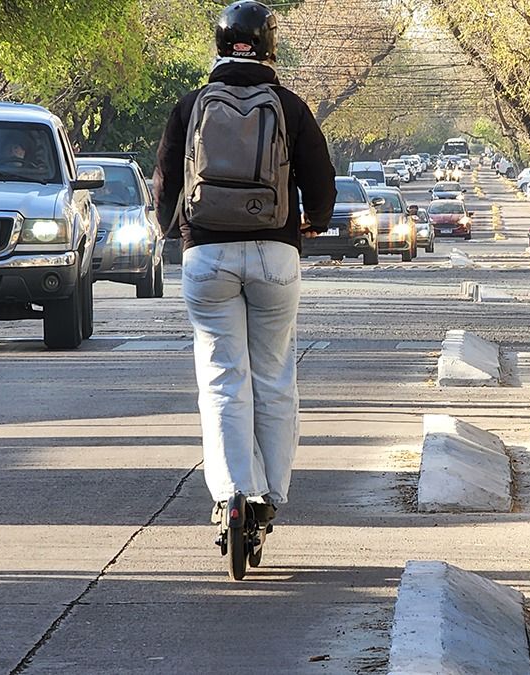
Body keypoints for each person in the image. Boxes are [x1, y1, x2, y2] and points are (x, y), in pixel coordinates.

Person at [154, 1, 336, 533]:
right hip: (276, 254)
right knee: (274, 376)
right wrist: (315, 220)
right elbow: (320, 174)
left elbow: (166, 178)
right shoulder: (290, 106)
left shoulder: (190, 106)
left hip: (206, 255)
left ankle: (233, 492)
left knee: (221, 378)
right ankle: (269, 495)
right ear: (268, 46)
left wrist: (171, 229)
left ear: (219, 44)